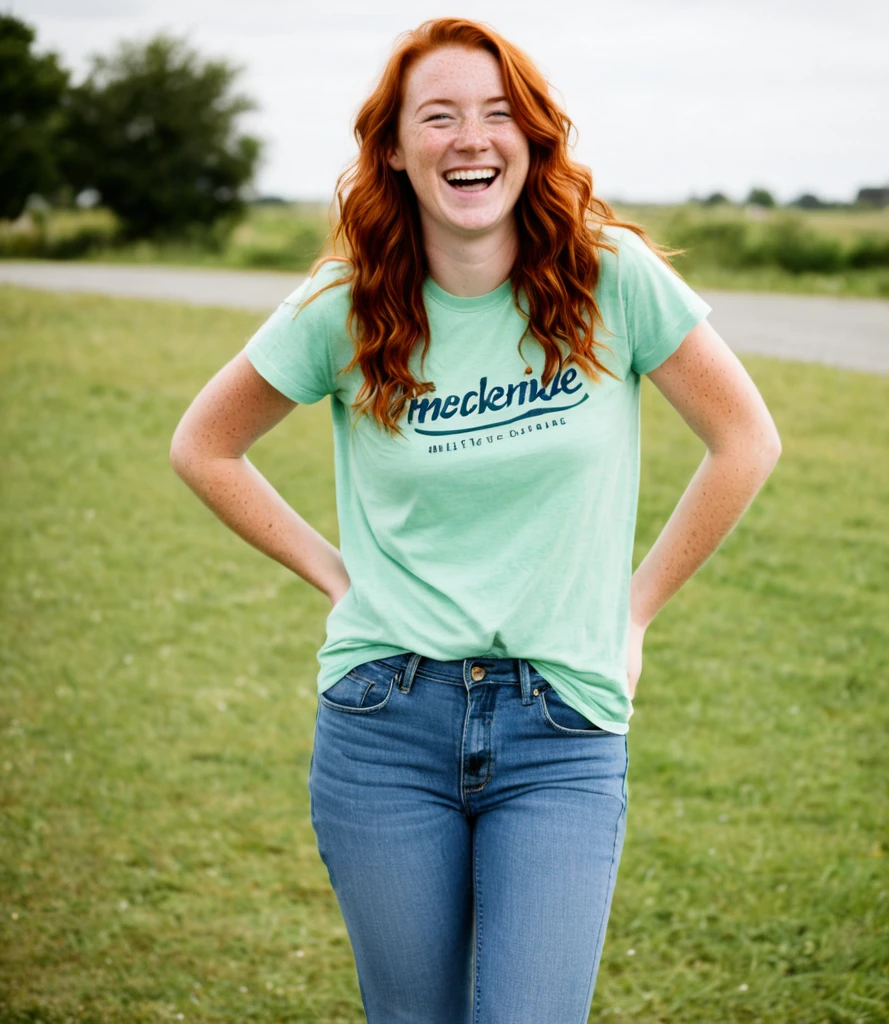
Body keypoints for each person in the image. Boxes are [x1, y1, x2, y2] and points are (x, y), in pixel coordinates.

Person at [170, 16, 781, 1024]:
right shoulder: (345, 305)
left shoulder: (610, 276)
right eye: (438, 116)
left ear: (531, 139)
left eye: (498, 114)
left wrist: (634, 611)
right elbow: (204, 444)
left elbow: (745, 439)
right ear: (394, 149)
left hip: (562, 723)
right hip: (384, 722)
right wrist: (335, 573)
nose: (470, 139)